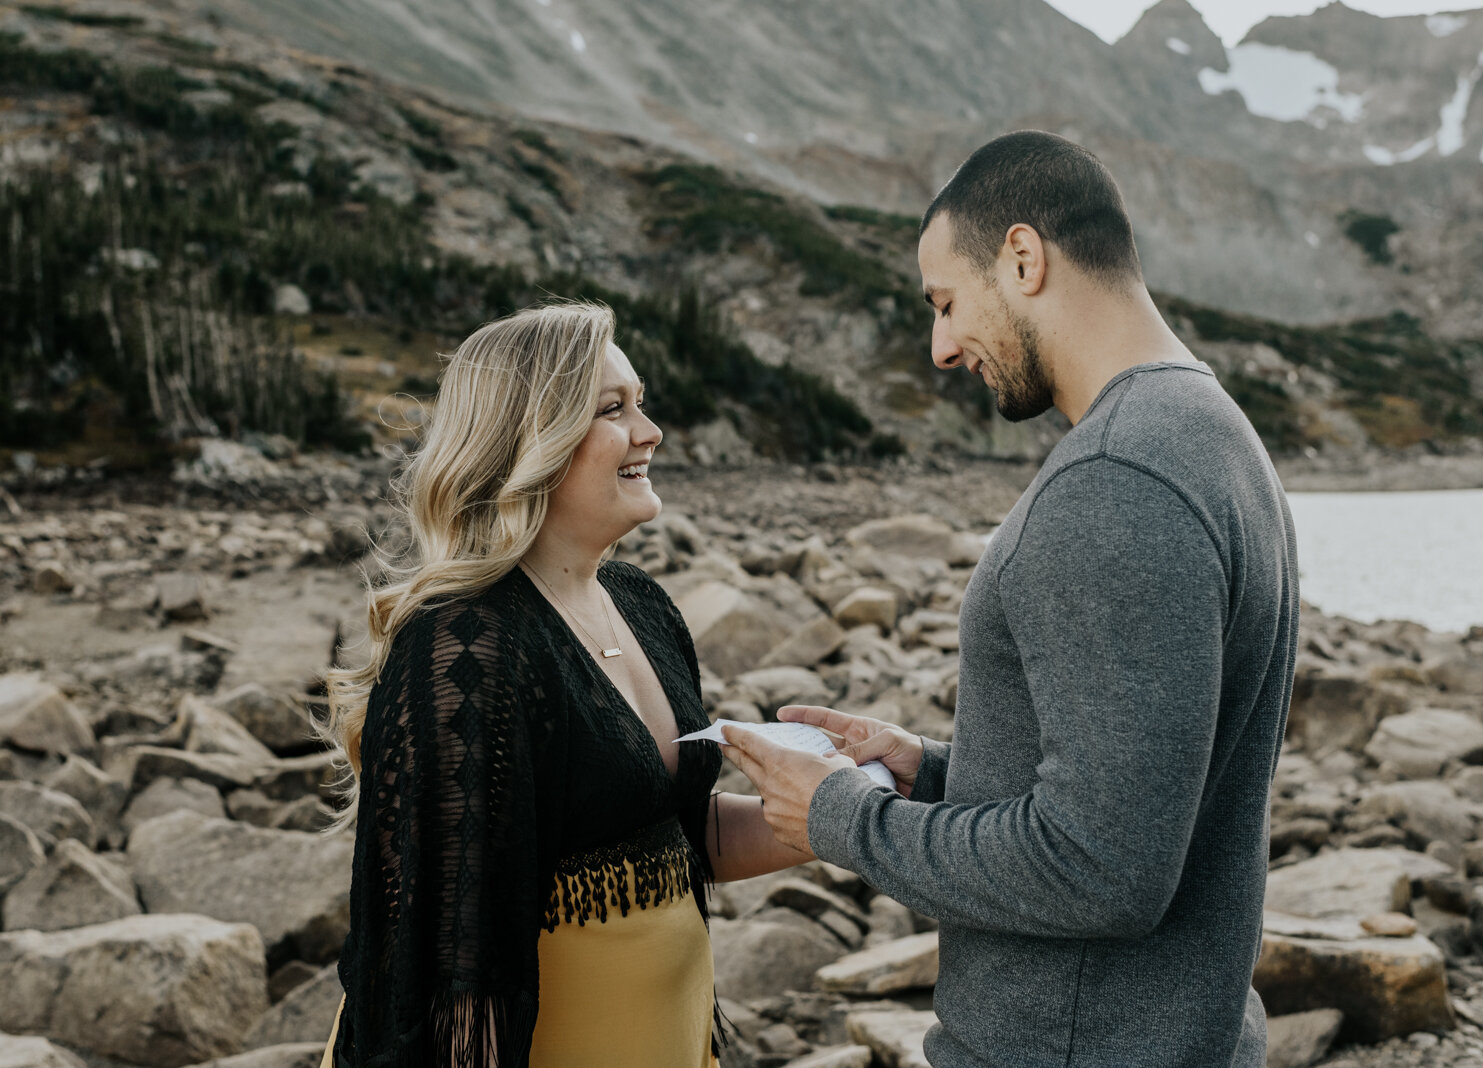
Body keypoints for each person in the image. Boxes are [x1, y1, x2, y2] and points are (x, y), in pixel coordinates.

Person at [721, 130, 1299, 1067]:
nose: (942, 348)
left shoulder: (1116, 478)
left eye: (946, 303)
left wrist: (842, 818)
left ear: (1023, 258)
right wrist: (933, 774)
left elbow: (1102, 872)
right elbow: (1147, 790)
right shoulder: (1210, 431)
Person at [313, 302, 812, 1067]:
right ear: (530, 442)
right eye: (613, 409)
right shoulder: (466, 643)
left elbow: (677, 840)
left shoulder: (641, 603)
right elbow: (452, 956)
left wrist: (854, 806)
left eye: (640, 403)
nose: (650, 432)